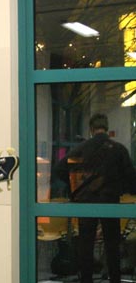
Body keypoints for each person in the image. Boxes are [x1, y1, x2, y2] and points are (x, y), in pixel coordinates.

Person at [54, 113, 136, 283]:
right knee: (112, 244)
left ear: (91, 129)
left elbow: (60, 169)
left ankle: (86, 279)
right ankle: (114, 278)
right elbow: (130, 177)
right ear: (106, 127)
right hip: (110, 202)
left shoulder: (81, 149)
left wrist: (75, 188)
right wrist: (121, 188)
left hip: (86, 202)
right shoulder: (118, 149)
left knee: (86, 244)